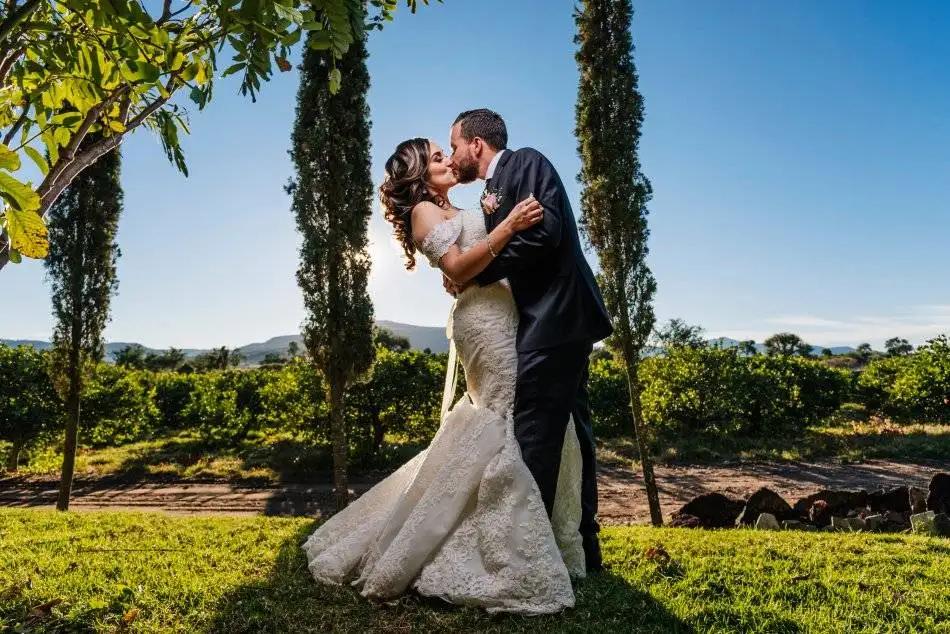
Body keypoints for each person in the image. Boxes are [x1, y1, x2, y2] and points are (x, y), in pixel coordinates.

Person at [302, 136, 585, 615]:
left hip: (510, 314)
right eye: (437, 157)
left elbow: (473, 262)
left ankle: (539, 538)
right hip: (483, 324)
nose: (447, 160)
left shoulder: (461, 207)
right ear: (418, 174)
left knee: (528, 417)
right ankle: (501, 549)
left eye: (445, 152)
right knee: (505, 418)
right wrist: (509, 226)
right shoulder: (422, 215)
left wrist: (496, 232)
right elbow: (456, 265)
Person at [447, 109, 613, 571]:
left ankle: (528, 559)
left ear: (476, 144)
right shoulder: (491, 190)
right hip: (553, 322)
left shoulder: (525, 162)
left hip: (555, 319)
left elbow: (544, 234)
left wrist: (476, 275)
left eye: (455, 144)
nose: (454, 154)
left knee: (535, 435)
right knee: (573, 436)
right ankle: (582, 547)